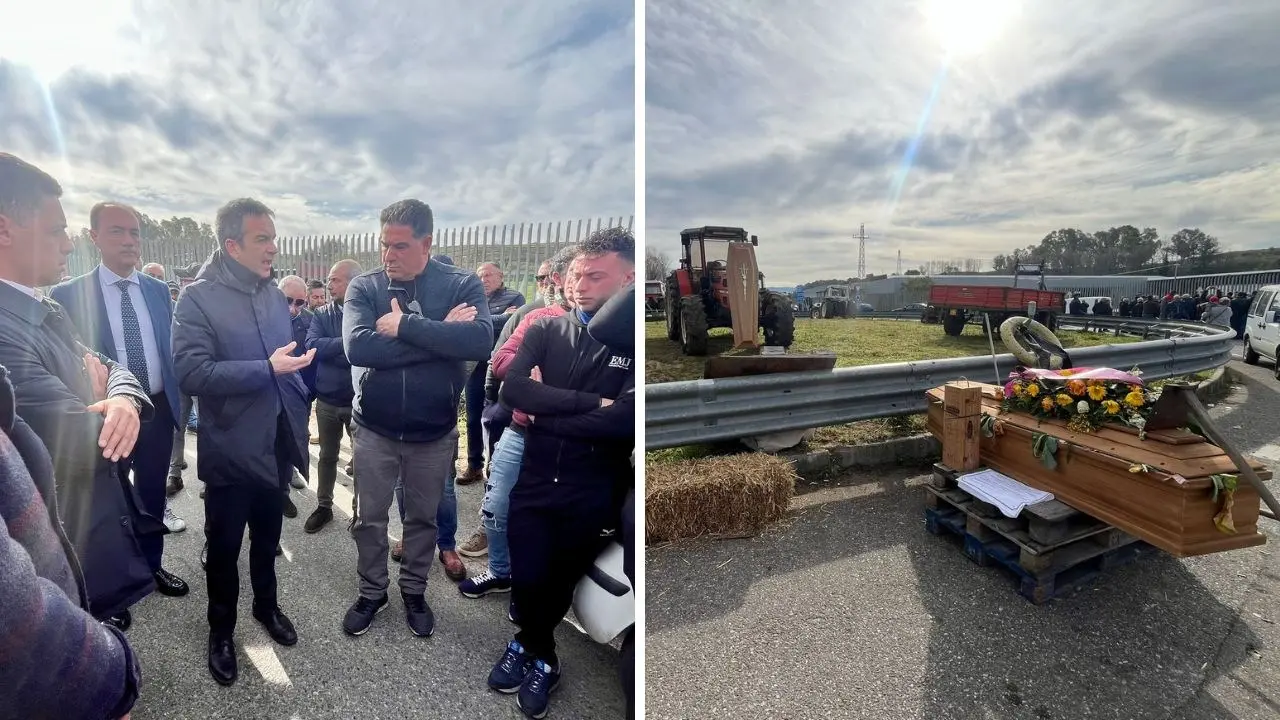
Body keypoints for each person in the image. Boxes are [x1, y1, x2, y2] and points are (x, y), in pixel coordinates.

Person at [0, 153, 162, 633]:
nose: (68, 245)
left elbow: (111, 367)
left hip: (78, 529)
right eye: (55, 231)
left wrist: (122, 398)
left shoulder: (37, 306)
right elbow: (81, 441)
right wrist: (105, 401)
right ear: (5, 230)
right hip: (50, 544)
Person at [488, 228, 636, 718]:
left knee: (557, 580)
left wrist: (546, 411)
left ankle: (537, 654)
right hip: (535, 478)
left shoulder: (636, 345)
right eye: (575, 273)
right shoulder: (545, 328)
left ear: (628, 279)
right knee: (528, 573)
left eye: (595, 275)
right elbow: (512, 391)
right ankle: (539, 647)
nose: (580, 283)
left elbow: (625, 421)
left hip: (592, 489)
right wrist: (588, 404)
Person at [172, 197, 314, 685]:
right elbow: (191, 372)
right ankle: (221, 631)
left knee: (268, 540)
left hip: (274, 444)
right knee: (225, 545)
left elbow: (286, 357)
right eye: (262, 239)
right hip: (231, 449)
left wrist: (296, 390)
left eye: (274, 238)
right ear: (231, 245)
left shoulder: (273, 294)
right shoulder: (196, 299)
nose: (273, 248)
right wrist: (265, 369)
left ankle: (267, 608)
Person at [340, 199, 493, 638]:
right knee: (369, 518)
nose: (389, 256)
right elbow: (360, 348)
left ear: (426, 243)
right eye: (384, 245)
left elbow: (480, 341)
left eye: (400, 246)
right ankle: (372, 591)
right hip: (374, 430)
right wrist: (443, 332)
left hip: (433, 434)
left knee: (422, 520)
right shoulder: (365, 287)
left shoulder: (461, 284)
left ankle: (413, 590)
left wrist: (406, 325)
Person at [51, 202, 191, 600]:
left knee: (150, 493)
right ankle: (108, 585)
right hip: (105, 415)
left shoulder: (158, 289)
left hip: (157, 409)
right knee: (104, 500)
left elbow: (168, 348)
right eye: (117, 232)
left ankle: (152, 566)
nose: (130, 240)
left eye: (135, 232)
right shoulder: (68, 294)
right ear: (93, 237)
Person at [0, 363, 142, 720]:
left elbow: (115, 366)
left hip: (55, 577)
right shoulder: (11, 325)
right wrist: (107, 681)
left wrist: (122, 397)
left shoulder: (51, 313)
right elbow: (12, 606)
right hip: (41, 677)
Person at [460, 249, 578, 598]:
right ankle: (500, 571)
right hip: (521, 427)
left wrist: (550, 386)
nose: (574, 285)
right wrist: (530, 377)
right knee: (496, 508)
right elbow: (501, 359)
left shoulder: (610, 325)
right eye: (570, 276)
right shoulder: (540, 316)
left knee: (545, 518)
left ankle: (537, 591)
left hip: (569, 436)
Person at [303, 259, 362, 533]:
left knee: (362, 461)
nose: (328, 284)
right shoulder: (322, 314)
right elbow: (313, 345)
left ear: (352, 281)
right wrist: (347, 343)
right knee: (327, 456)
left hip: (358, 401)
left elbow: (368, 348)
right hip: (326, 400)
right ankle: (324, 506)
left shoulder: (366, 310)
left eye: (335, 279)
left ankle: (358, 512)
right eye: (328, 279)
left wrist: (337, 348)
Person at [458, 262, 524, 486]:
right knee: (474, 418)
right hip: (476, 367)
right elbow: (472, 325)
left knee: (498, 418)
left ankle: (495, 468)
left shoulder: (515, 298)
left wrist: (486, 321)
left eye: (488, 275)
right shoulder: (472, 297)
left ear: (501, 277)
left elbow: (511, 326)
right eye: (480, 276)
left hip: (501, 369)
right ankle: (474, 465)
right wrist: (499, 318)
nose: (483, 279)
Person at [278, 274, 315, 501]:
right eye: (288, 300)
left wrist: (308, 390)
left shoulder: (310, 321)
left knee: (297, 435)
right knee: (277, 440)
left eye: (299, 302)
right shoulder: (263, 319)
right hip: (272, 391)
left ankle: (292, 473)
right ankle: (282, 494)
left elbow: (315, 357)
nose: (293, 308)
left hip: (301, 392)